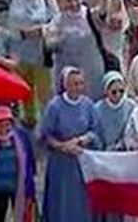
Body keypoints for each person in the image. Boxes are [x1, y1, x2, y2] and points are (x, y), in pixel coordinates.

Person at [39, 66, 97, 221]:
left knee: (80, 201)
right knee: (61, 200)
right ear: (65, 85)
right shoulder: (55, 106)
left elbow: (95, 132)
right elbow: (45, 136)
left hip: (81, 162)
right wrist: (63, 146)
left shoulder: (88, 105)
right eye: (74, 84)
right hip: (61, 163)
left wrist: (81, 140)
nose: (78, 88)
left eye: (80, 84)